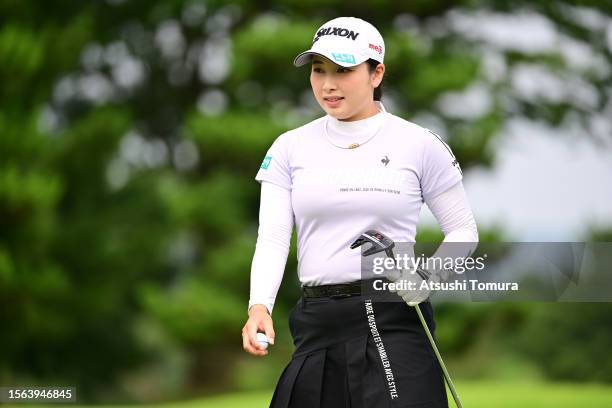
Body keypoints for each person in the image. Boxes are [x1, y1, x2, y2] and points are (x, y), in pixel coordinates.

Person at [241, 16, 478, 408]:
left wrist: (427, 277)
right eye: (319, 71)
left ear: (376, 72)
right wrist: (259, 305)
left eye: (344, 70)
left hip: (393, 318)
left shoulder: (418, 144)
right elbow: (273, 238)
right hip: (318, 323)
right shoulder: (289, 147)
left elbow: (463, 232)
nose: (328, 84)